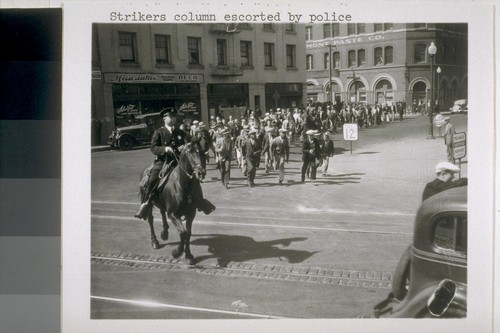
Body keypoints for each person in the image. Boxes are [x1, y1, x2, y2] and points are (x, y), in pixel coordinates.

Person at [134, 110, 211, 219]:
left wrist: (199, 135)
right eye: (170, 117)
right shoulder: (159, 132)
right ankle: (145, 203)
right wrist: (165, 148)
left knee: (194, 179)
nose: (173, 119)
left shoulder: (180, 132)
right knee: (152, 179)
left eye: (174, 117)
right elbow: (153, 148)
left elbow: (191, 140)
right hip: (163, 161)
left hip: (179, 161)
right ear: (164, 119)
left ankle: (201, 202)